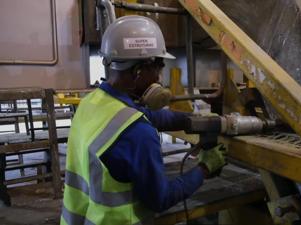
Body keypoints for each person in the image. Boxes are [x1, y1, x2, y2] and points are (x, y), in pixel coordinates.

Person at [60, 15, 226, 225]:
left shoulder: (90, 104)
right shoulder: (138, 133)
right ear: (138, 71)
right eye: (157, 69)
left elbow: (152, 116)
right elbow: (160, 199)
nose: (158, 79)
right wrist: (204, 169)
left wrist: (192, 120)